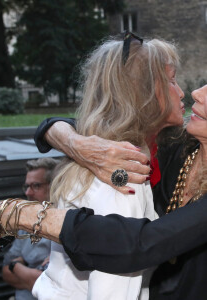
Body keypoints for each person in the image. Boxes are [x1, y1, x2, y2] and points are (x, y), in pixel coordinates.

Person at [0, 37, 207, 298]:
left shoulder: (118, 168)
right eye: (171, 80)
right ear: (144, 94)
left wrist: (22, 215)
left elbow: (138, 245)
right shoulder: (123, 159)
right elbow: (51, 125)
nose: (194, 92)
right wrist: (76, 143)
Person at [31, 33, 184, 300]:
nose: (182, 91)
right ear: (145, 94)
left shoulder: (99, 153)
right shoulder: (124, 175)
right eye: (171, 81)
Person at [2, 158, 59, 300]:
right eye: (27, 186)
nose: (28, 192)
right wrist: (18, 268)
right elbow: (5, 272)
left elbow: (55, 287)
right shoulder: (28, 220)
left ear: (54, 186)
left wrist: (16, 267)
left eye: (36, 186)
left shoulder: (67, 224)